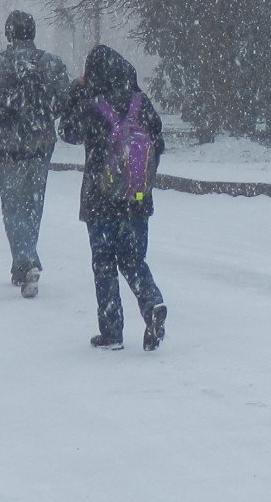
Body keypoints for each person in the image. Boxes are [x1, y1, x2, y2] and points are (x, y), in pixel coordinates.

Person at [59, 44, 168, 351]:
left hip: (100, 198)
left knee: (104, 262)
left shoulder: (92, 105)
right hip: (137, 198)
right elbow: (158, 141)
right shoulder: (140, 101)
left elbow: (66, 131)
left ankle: (112, 332)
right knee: (134, 260)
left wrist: (75, 93)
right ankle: (152, 303)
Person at [0, 10, 70, 297]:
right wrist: (44, 117)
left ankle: (26, 261)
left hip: (10, 146)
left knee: (13, 207)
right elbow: (63, 101)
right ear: (33, 32)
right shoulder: (51, 64)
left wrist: (6, 121)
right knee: (33, 205)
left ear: (8, 33)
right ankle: (23, 263)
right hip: (41, 143)